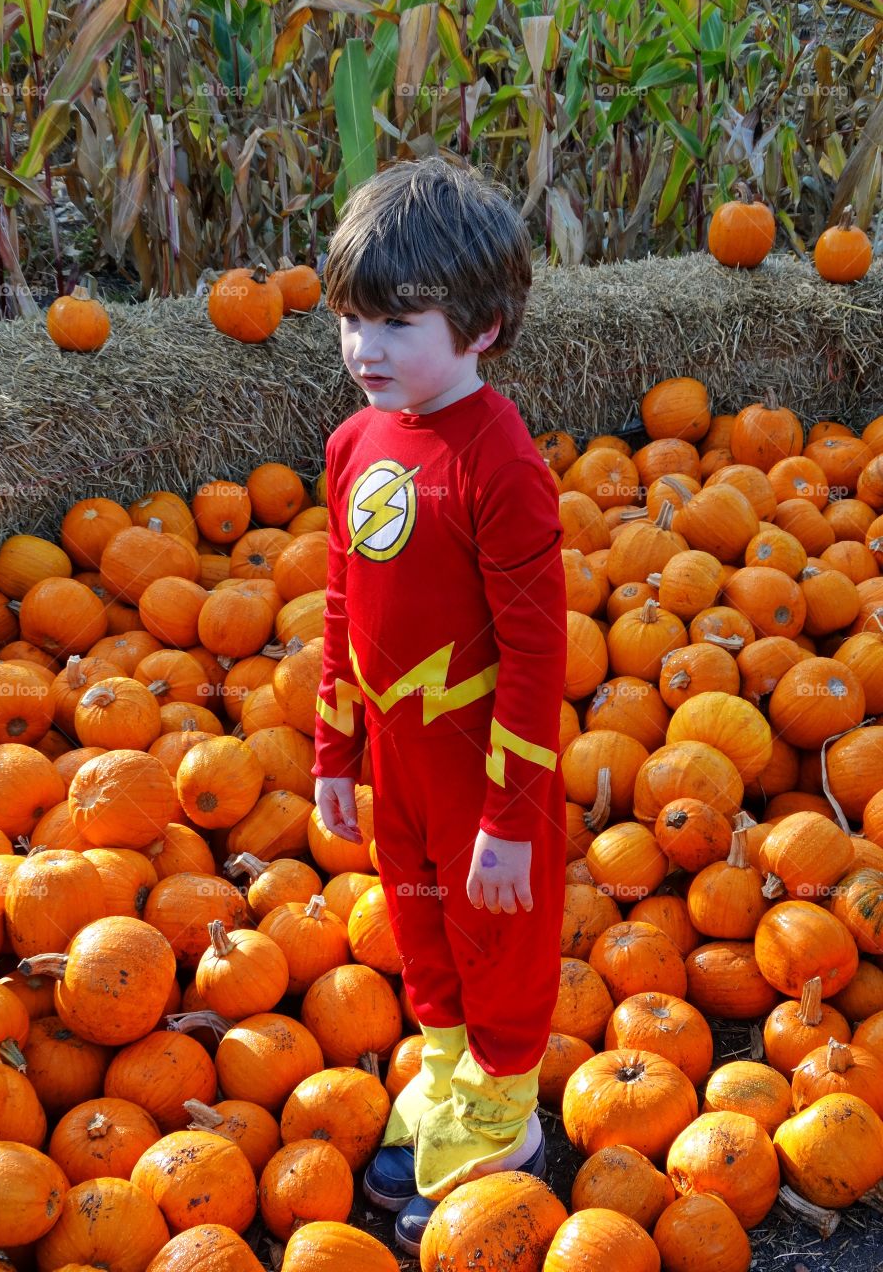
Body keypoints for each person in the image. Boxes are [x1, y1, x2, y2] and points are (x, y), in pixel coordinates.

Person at [312, 156, 568, 1256]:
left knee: (493, 931)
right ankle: (450, 1063)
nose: (365, 348)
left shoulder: (501, 462)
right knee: (418, 920)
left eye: (397, 322)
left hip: (478, 760)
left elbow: (535, 650)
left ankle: (507, 1123)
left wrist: (512, 818)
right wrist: (335, 748)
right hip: (398, 760)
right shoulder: (354, 444)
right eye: (351, 321)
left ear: (484, 329)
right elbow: (341, 596)